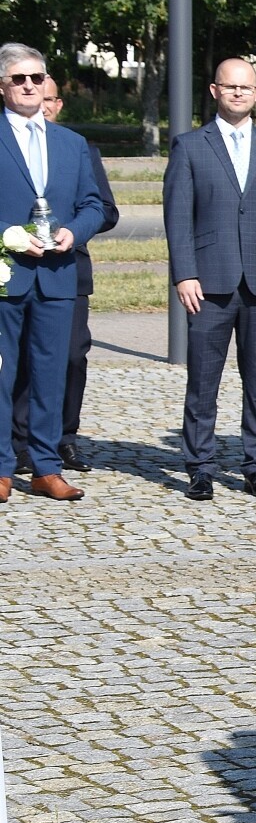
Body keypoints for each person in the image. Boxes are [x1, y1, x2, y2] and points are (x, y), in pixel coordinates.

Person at [163, 58, 256, 501]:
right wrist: (185, 273)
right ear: (214, 90)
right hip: (208, 283)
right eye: (230, 86)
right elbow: (177, 217)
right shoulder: (189, 146)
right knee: (203, 383)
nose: (238, 93)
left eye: (245, 87)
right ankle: (200, 467)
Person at [0, 44, 105, 501]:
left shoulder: (71, 143)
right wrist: (7, 235)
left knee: (50, 374)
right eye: (19, 79)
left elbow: (94, 204)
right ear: (2, 86)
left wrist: (74, 232)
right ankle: (2, 467)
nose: (29, 86)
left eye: (36, 78)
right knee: (3, 374)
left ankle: (45, 467)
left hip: (58, 274)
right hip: (7, 274)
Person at [12, 77, 118, 475]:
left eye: (50, 96)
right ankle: (21, 443)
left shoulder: (78, 147)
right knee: (20, 358)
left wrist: (73, 229)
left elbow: (105, 209)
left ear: (57, 103)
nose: (42, 101)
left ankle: (64, 437)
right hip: (17, 267)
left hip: (67, 269)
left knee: (71, 356)